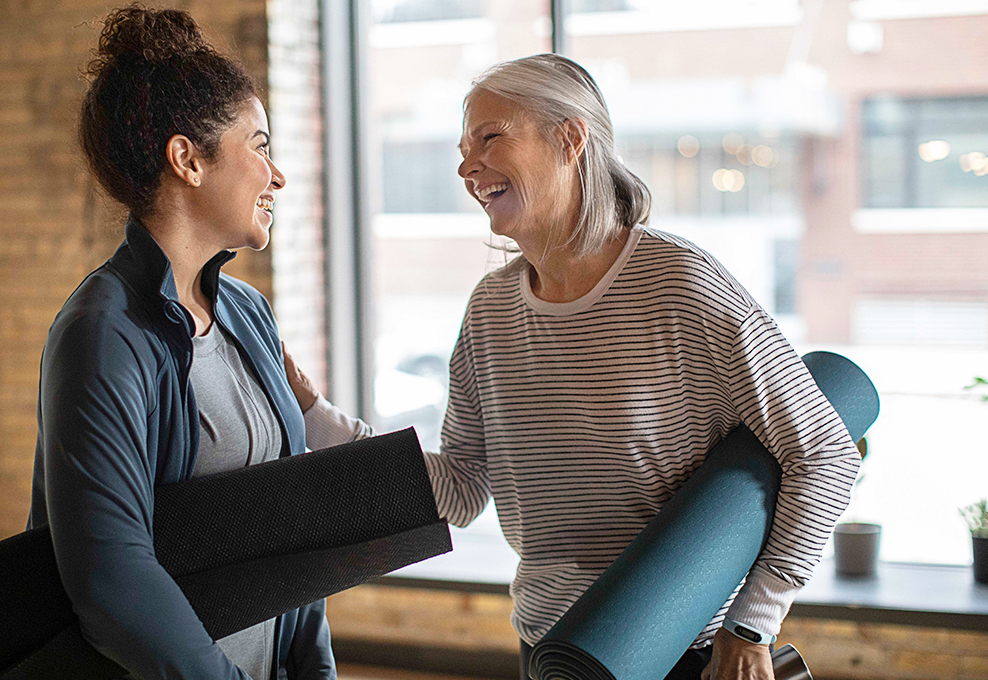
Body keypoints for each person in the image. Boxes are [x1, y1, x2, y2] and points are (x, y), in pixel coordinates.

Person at [286, 54, 860, 680]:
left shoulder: (682, 285)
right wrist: (314, 415)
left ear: (569, 138)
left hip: (683, 648)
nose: (466, 165)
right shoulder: (491, 310)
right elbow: (458, 488)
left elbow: (825, 454)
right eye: (462, 146)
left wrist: (753, 624)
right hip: (552, 650)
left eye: (490, 136)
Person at [27, 7, 334, 679]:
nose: (276, 174)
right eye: (259, 145)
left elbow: (291, 523)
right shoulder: (101, 335)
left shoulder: (249, 314)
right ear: (187, 159)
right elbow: (113, 583)